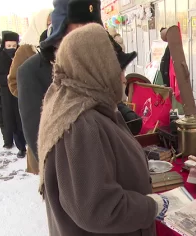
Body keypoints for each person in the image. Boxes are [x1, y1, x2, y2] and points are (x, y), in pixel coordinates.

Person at [38, 23, 169, 236]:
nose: (124, 78)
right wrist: (150, 207)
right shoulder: (80, 123)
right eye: (117, 69)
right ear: (95, 69)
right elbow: (97, 207)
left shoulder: (81, 103)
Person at [17, 0, 137, 162]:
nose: (89, 37)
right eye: (81, 30)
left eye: (94, 28)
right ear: (61, 31)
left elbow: (105, 96)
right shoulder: (31, 72)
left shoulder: (95, 58)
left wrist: (128, 117)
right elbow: (40, 142)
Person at [0, 31, 27, 158]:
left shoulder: (23, 58)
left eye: (13, 46)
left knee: (26, 119)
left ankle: (30, 145)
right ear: (4, 45)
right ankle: (21, 147)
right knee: (14, 122)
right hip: (7, 96)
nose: (11, 48)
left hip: (24, 94)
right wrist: (9, 78)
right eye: (8, 46)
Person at [8, 8, 52, 97]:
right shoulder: (26, 49)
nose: (52, 28)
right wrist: (30, 98)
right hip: (37, 107)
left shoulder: (60, 45)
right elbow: (13, 82)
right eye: (49, 24)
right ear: (40, 24)